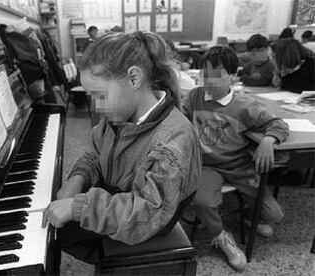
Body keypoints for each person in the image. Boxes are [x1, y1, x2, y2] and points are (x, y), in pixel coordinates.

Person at [43, 31, 201, 264]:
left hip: (149, 217)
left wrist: (79, 207)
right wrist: (76, 180)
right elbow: (96, 153)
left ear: (134, 79)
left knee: (57, 233)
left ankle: (115, 262)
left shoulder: (173, 141)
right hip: (121, 193)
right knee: (54, 225)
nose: (96, 107)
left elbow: (147, 211)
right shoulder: (117, 116)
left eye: (100, 96)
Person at [182, 46, 289, 271]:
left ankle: (250, 215)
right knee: (202, 201)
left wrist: (269, 140)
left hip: (238, 166)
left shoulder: (244, 105)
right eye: (205, 72)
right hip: (207, 165)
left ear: (232, 74)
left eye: (217, 73)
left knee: (274, 215)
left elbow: (277, 123)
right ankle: (221, 236)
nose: (210, 79)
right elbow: (178, 116)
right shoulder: (194, 96)